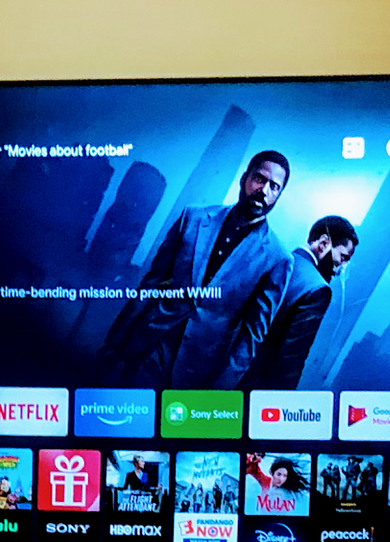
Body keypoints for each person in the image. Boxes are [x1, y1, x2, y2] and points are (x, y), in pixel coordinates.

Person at [99, 152, 292, 388]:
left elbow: (251, 337)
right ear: (244, 179)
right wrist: (114, 343)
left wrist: (220, 392)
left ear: (279, 195)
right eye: (259, 179)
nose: (264, 190)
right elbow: (150, 285)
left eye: (274, 187)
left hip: (199, 371)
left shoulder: (278, 258)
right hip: (150, 345)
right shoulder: (193, 217)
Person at [232, 215, 359, 392]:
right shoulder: (317, 289)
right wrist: (285, 403)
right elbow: (291, 359)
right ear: (323, 244)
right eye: (343, 258)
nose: (341, 269)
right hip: (256, 389)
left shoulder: (274, 259)